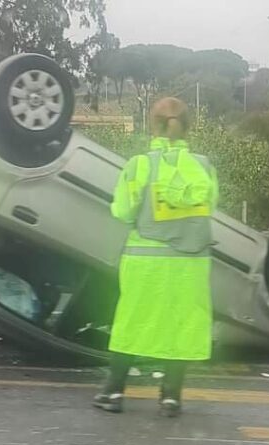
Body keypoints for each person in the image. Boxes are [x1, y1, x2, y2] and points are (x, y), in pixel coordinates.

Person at [93, 97, 218, 418]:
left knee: (132, 323)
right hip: (191, 262)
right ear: (188, 127)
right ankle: (171, 397)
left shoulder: (140, 165)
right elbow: (210, 208)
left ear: (152, 124)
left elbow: (122, 211)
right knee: (182, 325)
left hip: (146, 262)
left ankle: (114, 391)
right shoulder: (204, 168)